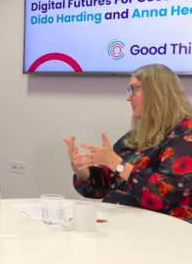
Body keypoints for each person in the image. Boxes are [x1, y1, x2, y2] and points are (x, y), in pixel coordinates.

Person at [64, 64, 192, 223]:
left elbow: (164, 194)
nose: (128, 97)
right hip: (122, 223)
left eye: (134, 89)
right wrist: (82, 171)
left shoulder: (186, 132)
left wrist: (114, 162)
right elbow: (103, 184)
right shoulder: (135, 136)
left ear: (155, 92)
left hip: (161, 230)